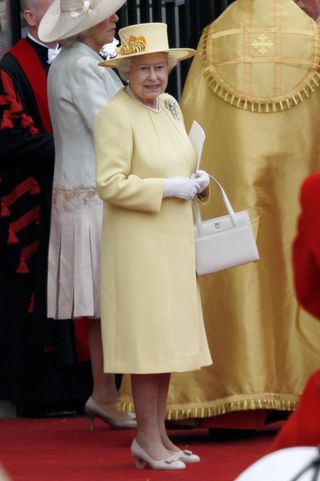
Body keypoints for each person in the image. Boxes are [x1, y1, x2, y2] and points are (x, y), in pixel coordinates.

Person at [147, 0, 320, 428]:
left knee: (236, 269)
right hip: (299, 185)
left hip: (233, 191)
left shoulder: (215, 39)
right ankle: (295, 387)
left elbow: (195, 122)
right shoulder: (312, 39)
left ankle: (231, 392)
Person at [94, 22, 212, 470]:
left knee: (165, 342)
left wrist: (196, 182)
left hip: (173, 242)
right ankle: (146, 439)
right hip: (138, 248)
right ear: (126, 71)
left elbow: (180, 161)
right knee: (147, 345)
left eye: (159, 68)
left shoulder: (168, 107)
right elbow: (109, 184)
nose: (153, 78)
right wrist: (167, 188)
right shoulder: (114, 114)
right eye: (143, 69)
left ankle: (159, 436)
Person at [38, 0, 136, 429]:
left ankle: (105, 393)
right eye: (109, 13)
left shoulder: (79, 60)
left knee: (103, 304)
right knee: (110, 301)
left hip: (85, 192)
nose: (116, 18)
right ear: (89, 23)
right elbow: (112, 127)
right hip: (95, 195)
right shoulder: (81, 65)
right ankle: (110, 394)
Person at [0, 0, 66, 410]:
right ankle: (40, 393)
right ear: (29, 17)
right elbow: (8, 140)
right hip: (31, 199)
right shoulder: (9, 68)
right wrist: (73, 149)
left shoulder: (87, 60)